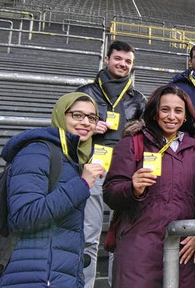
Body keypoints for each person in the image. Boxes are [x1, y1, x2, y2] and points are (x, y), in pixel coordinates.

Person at [0, 92, 105, 287]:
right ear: (60, 115)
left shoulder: (73, 160)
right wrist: (81, 185)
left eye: (92, 117)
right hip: (32, 278)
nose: (86, 122)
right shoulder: (37, 151)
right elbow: (24, 215)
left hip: (58, 277)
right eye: (77, 115)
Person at [103, 85, 195, 287]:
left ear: (186, 116)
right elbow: (110, 193)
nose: (171, 116)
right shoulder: (133, 144)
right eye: (165, 109)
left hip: (185, 251)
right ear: (154, 112)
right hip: (139, 249)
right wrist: (132, 189)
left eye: (178, 111)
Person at [76, 40, 146, 288]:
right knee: (89, 236)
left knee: (121, 235)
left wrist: (136, 130)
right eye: (118, 59)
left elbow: (145, 137)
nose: (123, 64)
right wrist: (88, 127)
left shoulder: (137, 99)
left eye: (128, 61)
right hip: (92, 167)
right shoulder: (86, 92)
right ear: (107, 59)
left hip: (124, 171)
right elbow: (66, 127)